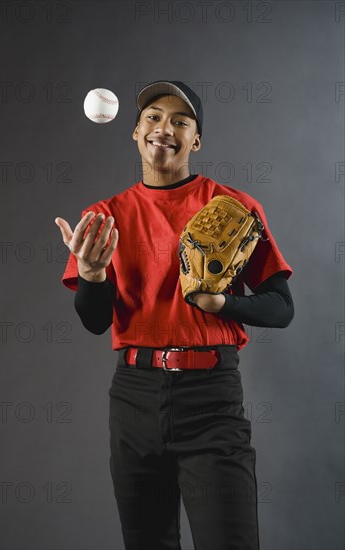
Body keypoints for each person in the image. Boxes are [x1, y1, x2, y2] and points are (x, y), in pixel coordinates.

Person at [55, 80, 294, 550]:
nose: (165, 128)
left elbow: (281, 308)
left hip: (211, 398)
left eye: (180, 121)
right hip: (134, 397)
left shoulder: (234, 209)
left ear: (196, 140)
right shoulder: (105, 217)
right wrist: (91, 272)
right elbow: (94, 320)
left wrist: (224, 304)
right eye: (153, 117)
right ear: (135, 131)